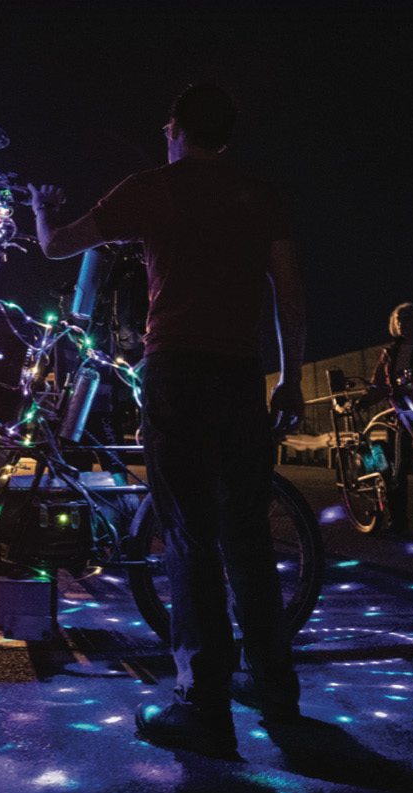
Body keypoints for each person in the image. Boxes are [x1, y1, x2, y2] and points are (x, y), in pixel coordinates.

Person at [29, 82, 306, 758]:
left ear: (177, 128)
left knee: (189, 539)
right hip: (243, 379)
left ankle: (202, 705)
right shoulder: (258, 194)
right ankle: (273, 683)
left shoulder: (152, 187)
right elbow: (290, 295)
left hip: (178, 374)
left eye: (167, 123)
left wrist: (40, 214)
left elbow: (59, 247)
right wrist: (292, 379)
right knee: (245, 536)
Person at [349, 302, 413, 536]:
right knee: (396, 468)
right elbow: (378, 384)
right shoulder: (390, 352)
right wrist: (364, 401)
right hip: (399, 415)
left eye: (407, 318)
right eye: (398, 320)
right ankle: (397, 521)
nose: (402, 323)